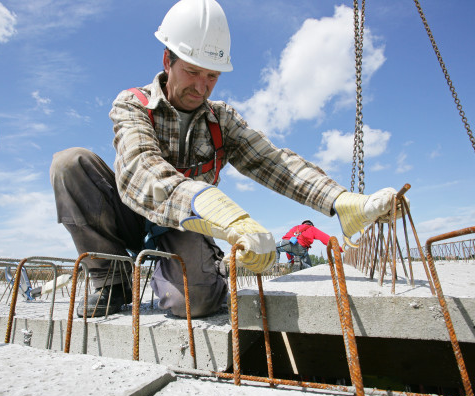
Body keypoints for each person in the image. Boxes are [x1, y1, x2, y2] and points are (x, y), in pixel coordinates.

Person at [49, 0, 405, 319]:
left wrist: (341, 200)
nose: (202, 87)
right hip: (135, 212)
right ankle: (111, 281)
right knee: (70, 165)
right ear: (167, 60)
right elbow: (139, 170)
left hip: (187, 226)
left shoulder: (221, 120)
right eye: (192, 71)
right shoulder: (132, 105)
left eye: (212, 76)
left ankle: (210, 268)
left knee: (193, 303)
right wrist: (218, 208)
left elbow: (274, 163)